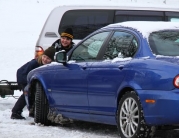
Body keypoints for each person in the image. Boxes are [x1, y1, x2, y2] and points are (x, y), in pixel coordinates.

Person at [11, 46, 55, 119]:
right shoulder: (34, 63)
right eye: (44, 57)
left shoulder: (45, 65)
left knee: (34, 94)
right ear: (42, 56)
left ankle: (32, 112)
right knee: (27, 93)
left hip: (30, 79)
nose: (45, 59)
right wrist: (27, 85)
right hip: (23, 77)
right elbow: (24, 73)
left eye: (48, 58)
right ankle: (15, 112)